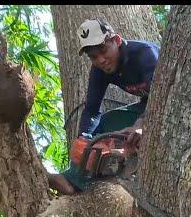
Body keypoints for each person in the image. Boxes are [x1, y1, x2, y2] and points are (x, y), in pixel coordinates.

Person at [47, 19, 161, 195]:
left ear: (116, 40)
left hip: (169, 104)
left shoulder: (145, 55)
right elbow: (92, 110)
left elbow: (161, 100)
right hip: (146, 106)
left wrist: (142, 124)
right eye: (93, 56)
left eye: (103, 50)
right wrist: (83, 138)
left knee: (139, 128)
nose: (100, 60)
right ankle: (75, 180)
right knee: (106, 123)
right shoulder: (99, 70)